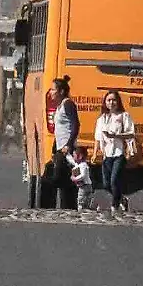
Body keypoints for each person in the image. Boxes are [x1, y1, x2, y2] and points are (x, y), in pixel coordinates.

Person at [95, 89, 137, 212]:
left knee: (114, 181)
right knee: (106, 184)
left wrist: (115, 136)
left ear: (118, 102)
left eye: (114, 100)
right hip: (106, 154)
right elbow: (98, 137)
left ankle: (115, 205)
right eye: (109, 100)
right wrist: (95, 152)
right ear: (105, 102)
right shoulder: (102, 119)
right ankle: (122, 199)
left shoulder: (124, 116)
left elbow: (131, 134)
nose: (111, 103)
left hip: (119, 153)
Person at [47, 77, 81, 209]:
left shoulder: (68, 104)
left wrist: (69, 144)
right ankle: (68, 207)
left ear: (61, 91)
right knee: (65, 179)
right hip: (60, 148)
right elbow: (59, 130)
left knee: (55, 178)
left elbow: (75, 125)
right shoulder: (60, 106)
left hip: (67, 150)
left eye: (53, 89)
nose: (51, 92)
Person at [68, 145, 96, 210]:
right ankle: (86, 207)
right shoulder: (78, 164)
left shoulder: (83, 165)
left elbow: (83, 175)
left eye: (74, 156)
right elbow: (71, 160)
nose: (73, 158)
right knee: (86, 199)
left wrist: (75, 179)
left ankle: (82, 209)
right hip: (85, 186)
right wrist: (67, 153)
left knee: (81, 199)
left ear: (80, 156)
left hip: (84, 186)